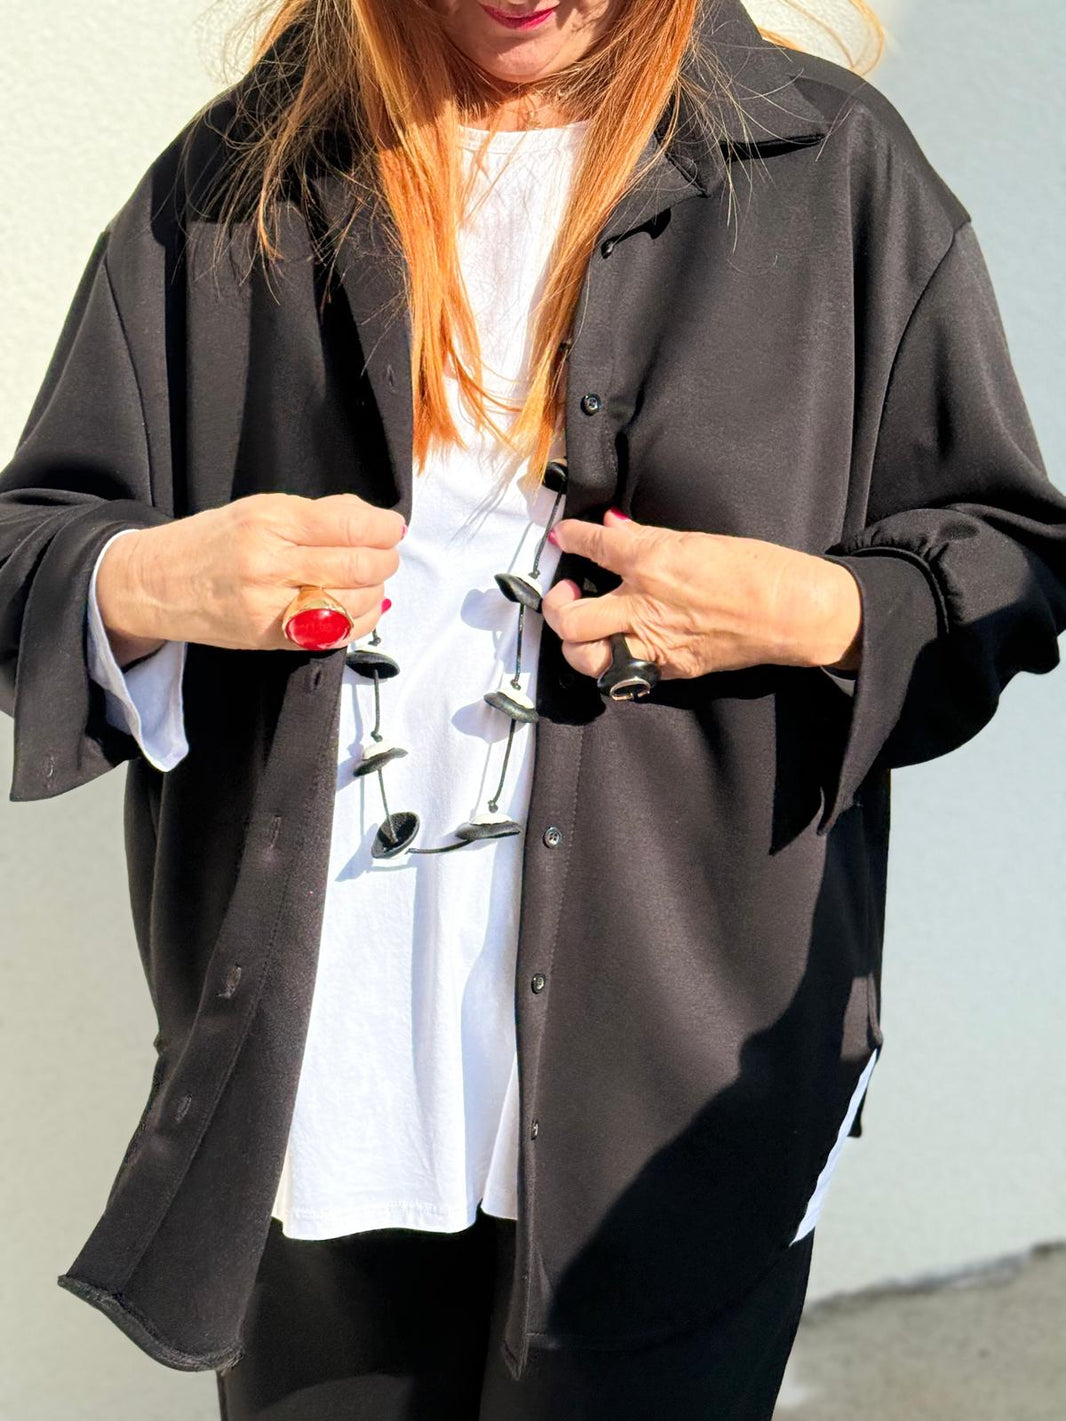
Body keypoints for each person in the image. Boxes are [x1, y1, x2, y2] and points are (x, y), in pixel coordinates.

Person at [2, 0, 1064, 1417]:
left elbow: (1007, 557)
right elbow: (28, 549)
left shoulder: (835, 168)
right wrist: (148, 579)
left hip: (679, 1089)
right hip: (317, 1092)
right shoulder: (241, 177)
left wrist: (820, 609)